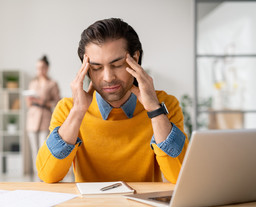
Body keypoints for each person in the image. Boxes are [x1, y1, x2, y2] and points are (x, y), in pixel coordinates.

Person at [36, 18, 188, 184]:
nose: (108, 78)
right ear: (85, 69)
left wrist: (154, 109)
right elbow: (47, 175)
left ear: (135, 59)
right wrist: (78, 111)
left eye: (117, 65)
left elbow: (180, 175)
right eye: (96, 68)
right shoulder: (68, 109)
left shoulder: (165, 105)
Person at [26, 55, 61, 175]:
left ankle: (43, 173)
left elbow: (57, 102)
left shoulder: (52, 84)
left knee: (43, 149)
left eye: (41, 68)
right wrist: (30, 100)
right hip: (32, 118)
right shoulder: (32, 83)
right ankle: (37, 174)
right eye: (37, 68)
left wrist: (44, 102)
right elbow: (29, 104)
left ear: (47, 68)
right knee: (34, 150)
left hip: (45, 118)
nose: (39, 70)